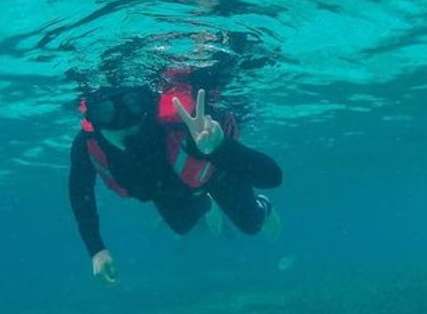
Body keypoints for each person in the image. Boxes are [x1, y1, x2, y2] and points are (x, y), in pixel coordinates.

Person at [68, 83, 283, 284]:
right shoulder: (85, 144)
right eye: (105, 113)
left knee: (251, 225)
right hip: (170, 189)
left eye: (133, 104)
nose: (123, 122)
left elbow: (272, 177)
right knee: (182, 226)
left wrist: (219, 147)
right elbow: (80, 193)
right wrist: (96, 249)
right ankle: (205, 201)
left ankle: (263, 205)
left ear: (147, 103)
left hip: (215, 171)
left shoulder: (183, 124)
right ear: (93, 120)